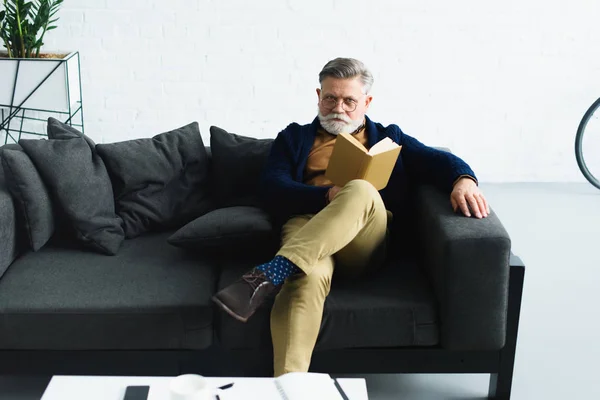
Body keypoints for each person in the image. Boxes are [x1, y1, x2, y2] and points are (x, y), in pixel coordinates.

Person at [212, 57, 490, 376]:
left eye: (349, 100)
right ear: (318, 96)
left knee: (360, 189)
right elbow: (272, 187)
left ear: (366, 102)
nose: (338, 108)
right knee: (307, 276)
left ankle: (270, 272)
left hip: (365, 238)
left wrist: (463, 179)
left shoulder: (390, 137)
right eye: (330, 98)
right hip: (309, 225)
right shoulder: (293, 137)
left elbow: (437, 160)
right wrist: (325, 195)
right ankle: (290, 387)